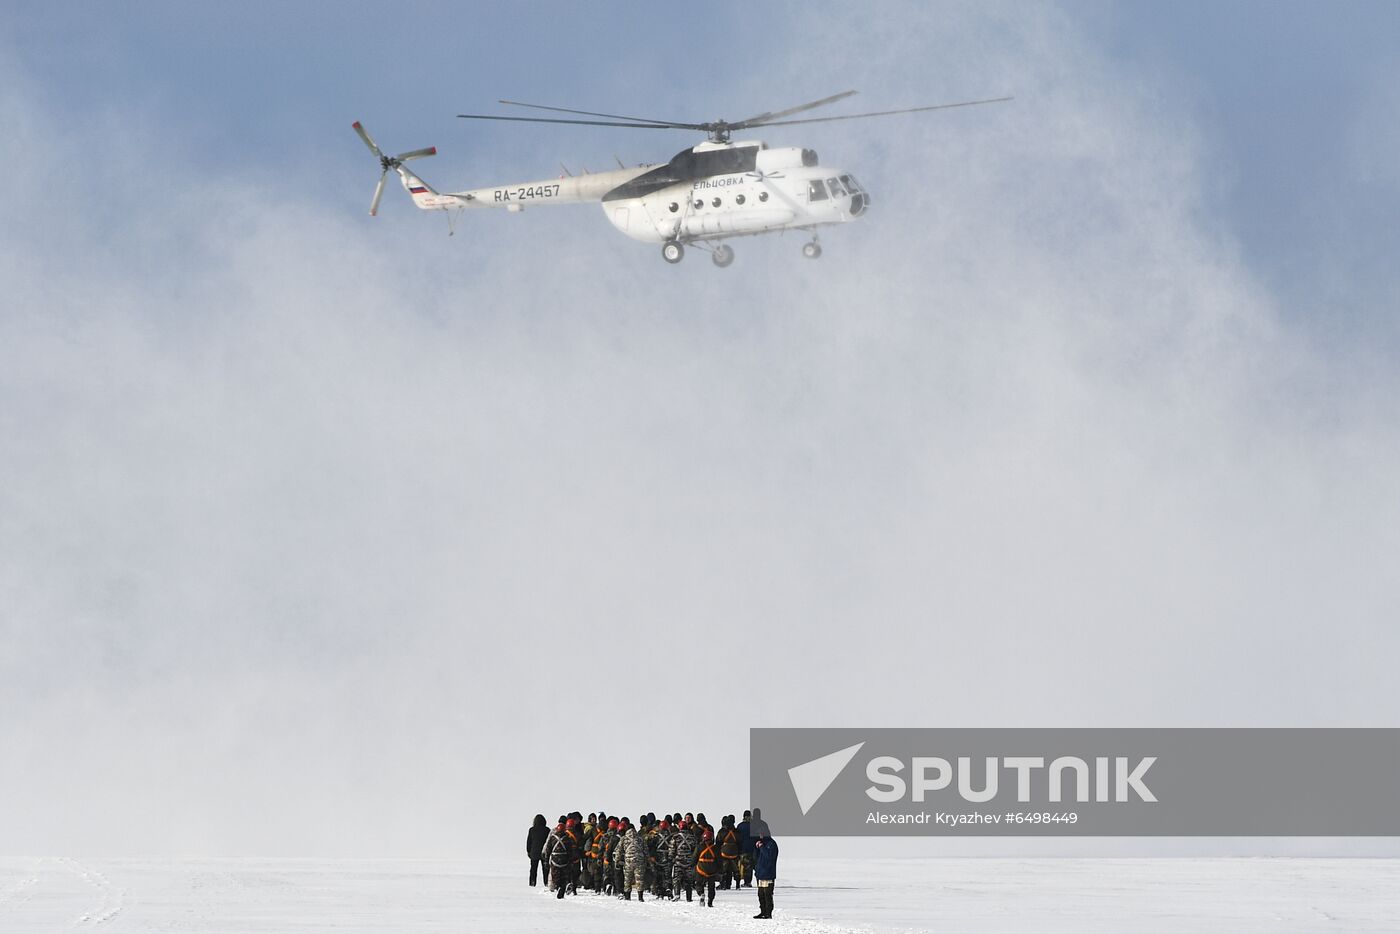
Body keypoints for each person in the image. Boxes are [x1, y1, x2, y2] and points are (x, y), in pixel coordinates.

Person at [618, 818, 647, 901]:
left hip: (628, 861)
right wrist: (647, 861)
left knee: (627, 879)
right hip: (639, 861)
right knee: (639, 879)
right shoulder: (640, 838)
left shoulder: (624, 838)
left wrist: (617, 861)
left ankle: (627, 896)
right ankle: (640, 897)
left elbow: (618, 851)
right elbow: (646, 851)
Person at [752, 830, 779, 919]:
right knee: (761, 894)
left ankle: (768, 913)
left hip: (768, 873)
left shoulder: (772, 844)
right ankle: (762, 912)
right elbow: (756, 858)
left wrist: (762, 847)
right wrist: (757, 848)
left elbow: (769, 857)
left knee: (768, 894)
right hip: (760, 873)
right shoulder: (762, 844)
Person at [669, 819, 697, 902]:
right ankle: (689, 897)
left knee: (676, 879)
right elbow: (695, 850)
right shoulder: (692, 837)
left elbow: (671, 850)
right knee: (689, 880)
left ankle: (677, 894)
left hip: (678, 862)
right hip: (689, 862)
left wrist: (671, 858)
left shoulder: (675, 837)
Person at [694, 828, 719, 907]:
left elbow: (694, 858)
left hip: (701, 869)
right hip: (712, 871)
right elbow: (719, 860)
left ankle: (701, 893)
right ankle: (710, 901)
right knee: (711, 887)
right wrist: (720, 870)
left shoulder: (699, 847)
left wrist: (692, 865)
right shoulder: (716, 848)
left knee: (699, 883)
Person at [549, 820, 573, 900]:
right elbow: (570, 850)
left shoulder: (552, 838)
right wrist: (570, 860)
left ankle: (557, 886)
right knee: (564, 876)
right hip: (564, 860)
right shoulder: (567, 838)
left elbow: (548, 849)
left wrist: (546, 860)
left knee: (555, 876)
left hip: (554, 860)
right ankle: (562, 887)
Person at [716, 815, 741, 889]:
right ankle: (737, 885)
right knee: (735, 870)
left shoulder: (722, 832)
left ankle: (723, 884)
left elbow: (718, 843)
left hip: (724, 854)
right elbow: (740, 842)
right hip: (734, 854)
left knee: (723, 870)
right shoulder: (737, 832)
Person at [737, 810, 755, 887]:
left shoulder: (740, 826)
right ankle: (747, 882)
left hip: (741, 849)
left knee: (741, 866)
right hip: (751, 849)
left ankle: (739, 881)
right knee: (748, 867)